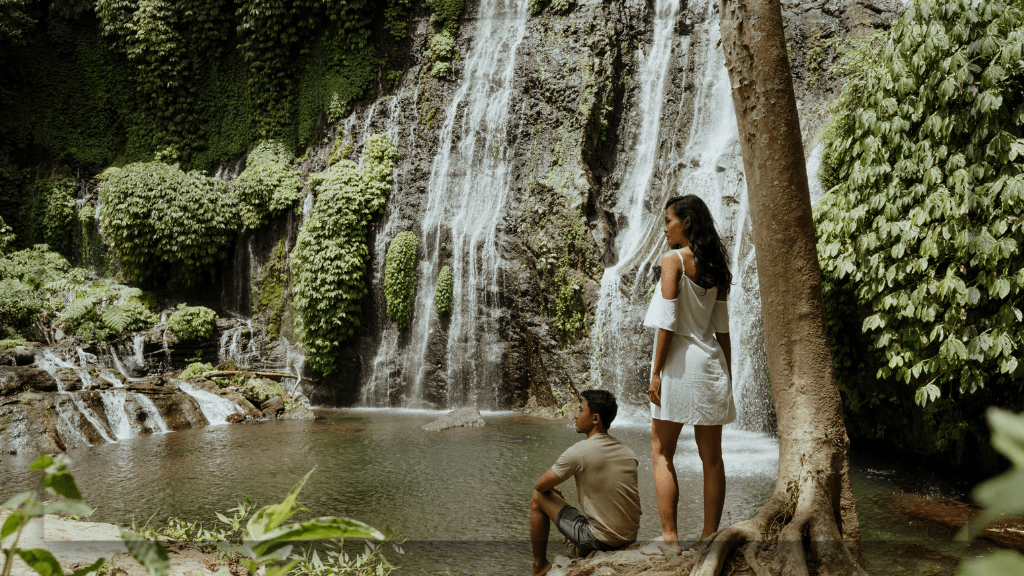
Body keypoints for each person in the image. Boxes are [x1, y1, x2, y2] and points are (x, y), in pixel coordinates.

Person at [642, 194, 734, 555]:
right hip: (710, 363)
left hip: (678, 365)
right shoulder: (716, 264)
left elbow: (666, 324)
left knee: (662, 451)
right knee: (712, 457)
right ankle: (710, 536)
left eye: (668, 221)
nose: (664, 228)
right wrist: (727, 373)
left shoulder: (673, 260)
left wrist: (656, 373)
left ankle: (669, 539)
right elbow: (722, 328)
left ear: (687, 222)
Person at [529, 390, 642, 576]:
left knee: (538, 497)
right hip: (628, 537)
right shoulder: (627, 451)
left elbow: (539, 486)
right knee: (578, 537)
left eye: (581, 410)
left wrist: (552, 489)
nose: (576, 415)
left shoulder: (579, 451)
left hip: (602, 540)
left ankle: (539, 566)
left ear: (595, 418)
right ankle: (579, 550)